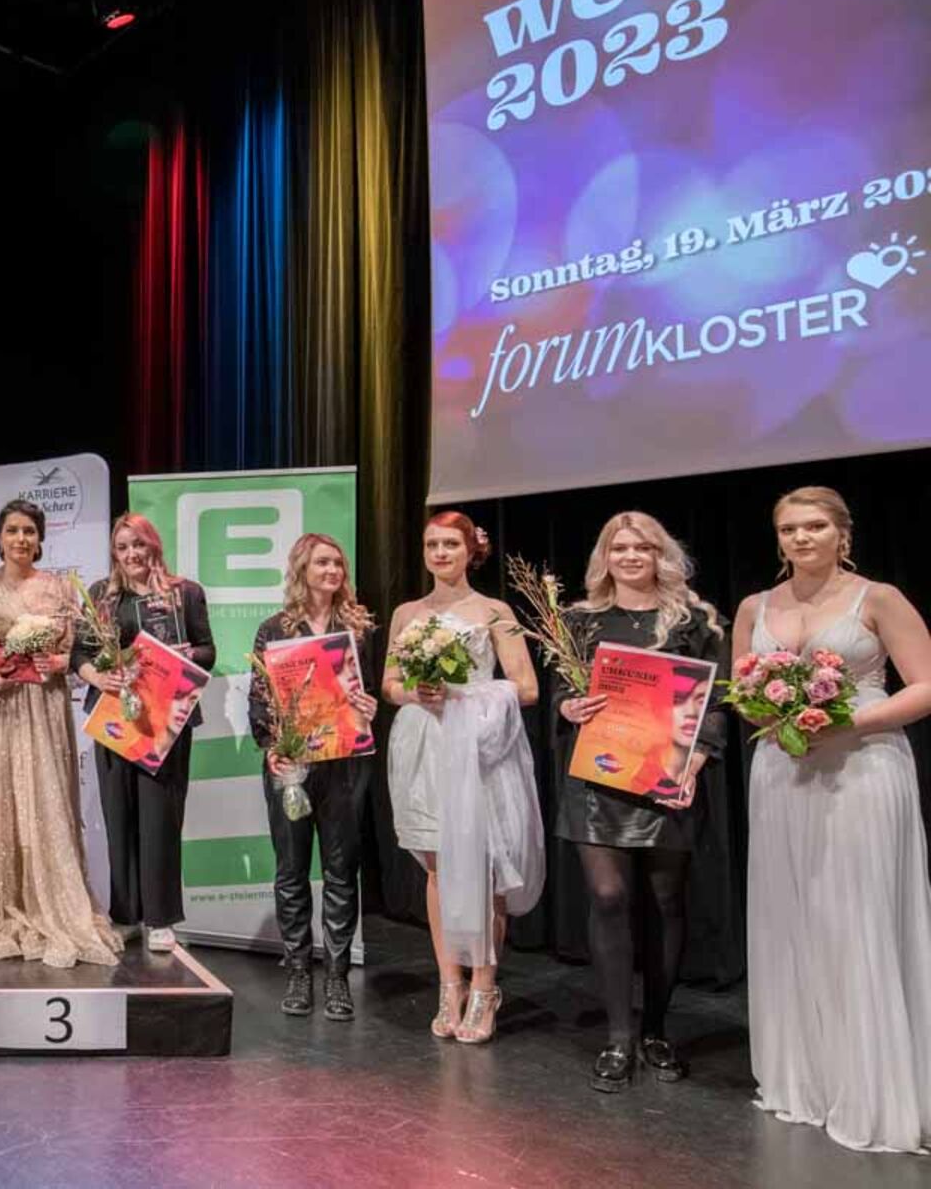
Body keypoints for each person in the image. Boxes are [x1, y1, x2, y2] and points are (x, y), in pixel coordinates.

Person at [738, 486, 931, 1154]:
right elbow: (742, 691)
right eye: (789, 528)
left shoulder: (877, 598)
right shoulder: (756, 607)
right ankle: (808, 1080)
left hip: (863, 768)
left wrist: (845, 721)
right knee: (793, 918)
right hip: (782, 772)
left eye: (815, 526)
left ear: (842, 533)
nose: (801, 537)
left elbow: (925, 686)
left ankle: (874, 1089)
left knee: (856, 918)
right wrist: (769, 712)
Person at [550, 513, 727, 1092]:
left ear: (660, 555)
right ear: (604, 557)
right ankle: (618, 1037)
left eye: (642, 547)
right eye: (619, 547)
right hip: (598, 778)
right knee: (608, 896)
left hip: (666, 776)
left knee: (665, 900)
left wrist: (697, 759)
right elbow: (561, 692)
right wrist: (567, 707)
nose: (630, 556)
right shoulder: (578, 620)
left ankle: (655, 1030)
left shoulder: (695, 620)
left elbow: (717, 701)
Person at [0, 500, 121, 969]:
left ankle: (53, 906)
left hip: (43, 708)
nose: (21, 539)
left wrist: (59, 662)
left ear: (40, 540)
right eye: (13, 530)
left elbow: (78, 656)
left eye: (29, 532)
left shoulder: (61, 588)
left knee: (44, 803)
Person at [383, 511, 542, 1044]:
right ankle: (449, 985)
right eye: (432, 544)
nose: (440, 553)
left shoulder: (496, 611)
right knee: (437, 866)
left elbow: (526, 687)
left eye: (451, 543)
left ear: (472, 550)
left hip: (477, 746)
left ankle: (485, 987)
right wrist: (414, 692)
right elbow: (389, 684)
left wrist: (464, 695)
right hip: (423, 744)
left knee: (483, 868)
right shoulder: (407, 613)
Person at [246, 532, 379, 1020]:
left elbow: (369, 693)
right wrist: (271, 749)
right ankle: (299, 971)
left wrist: (370, 707)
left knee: (342, 871)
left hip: (345, 764)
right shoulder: (274, 630)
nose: (332, 570)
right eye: (322, 562)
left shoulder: (359, 629)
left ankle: (337, 978)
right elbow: (259, 699)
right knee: (291, 870)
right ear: (302, 569)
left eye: (338, 563)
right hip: (293, 766)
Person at [73, 513, 214, 954]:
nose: (131, 554)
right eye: (122, 547)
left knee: (160, 820)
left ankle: (160, 918)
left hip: (167, 719)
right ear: (114, 553)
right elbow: (79, 653)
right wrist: (98, 677)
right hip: (114, 717)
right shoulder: (101, 595)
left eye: (139, 544)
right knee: (119, 817)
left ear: (154, 545)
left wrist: (186, 653)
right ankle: (125, 915)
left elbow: (208, 650)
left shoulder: (185, 593)